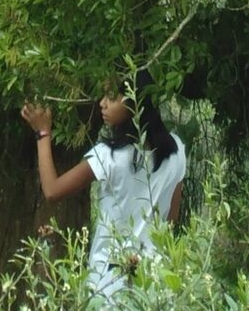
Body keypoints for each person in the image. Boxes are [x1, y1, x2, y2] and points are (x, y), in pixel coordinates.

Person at [21, 68, 185, 299]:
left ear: (134, 101)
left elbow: (52, 190)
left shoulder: (108, 156)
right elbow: (170, 222)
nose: (102, 104)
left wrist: (43, 132)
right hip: (155, 284)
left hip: (109, 283)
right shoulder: (177, 152)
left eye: (111, 97)